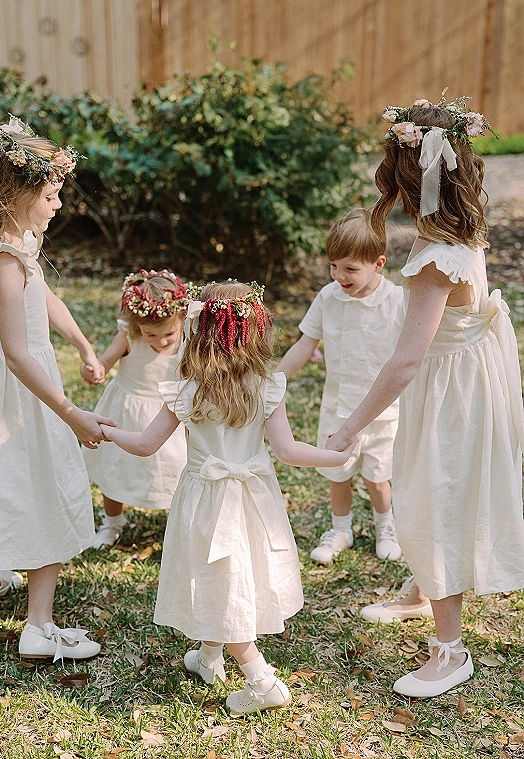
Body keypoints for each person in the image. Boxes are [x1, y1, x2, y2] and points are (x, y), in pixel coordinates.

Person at [326, 95, 524, 697]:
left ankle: (450, 651)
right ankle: (420, 590)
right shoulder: (464, 232)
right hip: (464, 380)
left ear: (411, 183)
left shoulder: (436, 258)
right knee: (428, 484)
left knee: (433, 495)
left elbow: (408, 358)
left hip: (448, 392)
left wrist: (353, 424)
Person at [101, 281, 356, 714]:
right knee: (232, 575)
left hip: (204, 497)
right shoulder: (266, 386)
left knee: (217, 575)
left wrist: (103, 429)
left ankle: (261, 680)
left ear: (197, 331)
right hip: (255, 497)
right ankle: (208, 655)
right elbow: (289, 452)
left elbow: (146, 444)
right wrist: (334, 454)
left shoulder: (187, 389)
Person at [0, 116, 114, 661]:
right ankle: (39, 628)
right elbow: (18, 352)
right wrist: (70, 412)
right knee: (44, 485)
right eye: (51, 193)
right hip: (17, 391)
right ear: (19, 194)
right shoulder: (7, 263)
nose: (59, 204)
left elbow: (45, 300)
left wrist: (85, 346)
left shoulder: (3, 247)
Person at [277, 208, 410, 568]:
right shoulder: (328, 297)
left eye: (350, 269)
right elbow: (305, 344)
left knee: (378, 476)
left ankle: (386, 525)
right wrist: (275, 379)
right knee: (338, 473)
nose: (339, 276)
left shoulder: (397, 301)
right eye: (333, 266)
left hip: (383, 413)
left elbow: (412, 356)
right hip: (338, 407)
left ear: (378, 263)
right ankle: (341, 529)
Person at [81, 269, 187, 548]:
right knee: (116, 469)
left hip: (170, 416)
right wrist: (97, 369)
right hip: (127, 412)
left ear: (182, 319)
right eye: (151, 334)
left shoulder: (190, 337)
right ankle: (112, 522)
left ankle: (180, 524)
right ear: (137, 325)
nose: (161, 341)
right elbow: (105, 361)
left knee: (178, 469)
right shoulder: (130, 335)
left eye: (168, 334)